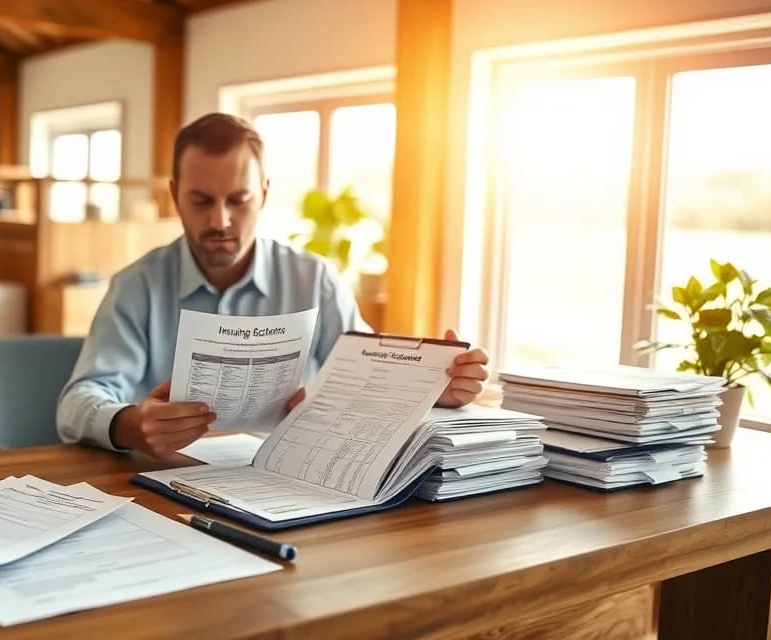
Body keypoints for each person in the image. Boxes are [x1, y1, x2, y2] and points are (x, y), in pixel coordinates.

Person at [56, 113, 489, 458]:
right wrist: (129, 425)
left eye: (238, 200)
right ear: (175, 195)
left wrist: (436, 390)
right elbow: (77, 401)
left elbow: (369, 379)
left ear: (262, 195)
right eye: (202, 201)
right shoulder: (137, 286)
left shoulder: (314, 280)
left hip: (289, 480)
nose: (220, 220)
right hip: (162, 484)